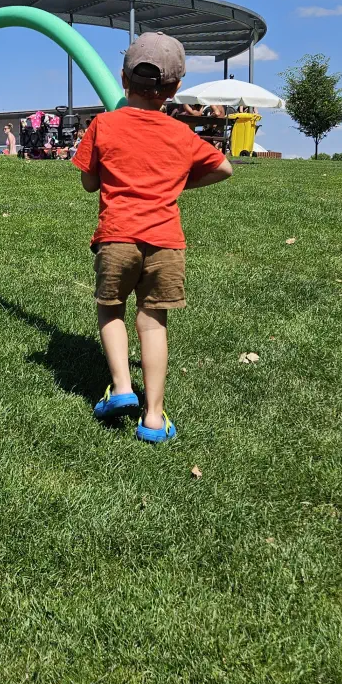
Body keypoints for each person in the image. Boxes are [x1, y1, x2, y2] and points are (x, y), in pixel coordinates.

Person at [74, 32, 233, 444]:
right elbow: (224, 168)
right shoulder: (181, 133)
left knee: (111, 309)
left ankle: (121, 388)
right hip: (166, 241)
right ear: (175, 88)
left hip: (117, 237)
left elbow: (89, 183)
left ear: (123, 79)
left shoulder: (103, 124)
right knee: (153, 322)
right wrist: (177, 185)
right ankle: (154, 418)